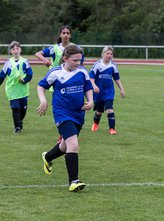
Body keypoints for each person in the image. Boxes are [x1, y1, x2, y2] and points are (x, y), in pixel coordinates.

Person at [36, 45, 94, 192]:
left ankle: (48, 157)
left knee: (65, 146)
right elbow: (41, 86)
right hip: (62, 113)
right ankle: (73, 181)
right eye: (75, 60)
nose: (78, 63)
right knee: (73, 145)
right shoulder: (55, 72)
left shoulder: (82, 71)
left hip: (78, 113)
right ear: (65, 58)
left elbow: (88, 87)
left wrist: (91, 101)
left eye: (80, 60)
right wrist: (43, 100)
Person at [35, 25, 83, 143]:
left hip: (71, 80)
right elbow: (38, 53)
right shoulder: (55, 48)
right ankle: (63, 133)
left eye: (68, 33)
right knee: (60, 106)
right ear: (60, 35)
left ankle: (68, 130)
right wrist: (45, 60)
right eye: (63, 33)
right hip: (57, 80)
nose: (66, 35)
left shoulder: (74, 48)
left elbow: (80, 64)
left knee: (70, 104)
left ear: (70, 35)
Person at [89, 46, 125, 135]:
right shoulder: (97, 65)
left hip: (109, 91)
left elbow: (117, 78)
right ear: (103, 54)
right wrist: (94, 86)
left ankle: (112, 129)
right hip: (98, 92)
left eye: (111, 54)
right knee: (99, 112)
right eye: (107, 53)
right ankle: (95, 124)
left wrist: (122, 89)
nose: (109, 55)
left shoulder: (113, 66)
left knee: (109, 109)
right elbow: (91, 77)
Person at [0, 41, 33, 133]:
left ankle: (20, 121)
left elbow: (30, 75)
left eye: (17, 48)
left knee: (23, 109)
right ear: (11, 51)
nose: (15, 50)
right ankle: (17, 128)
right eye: (13, 49)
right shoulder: (8, 63)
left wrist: (25, 80)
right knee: (15, 108)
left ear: (20, 50)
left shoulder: (25, 62)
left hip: (23, 90)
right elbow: (1, 76)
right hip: (12, 90)